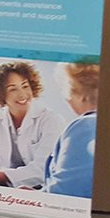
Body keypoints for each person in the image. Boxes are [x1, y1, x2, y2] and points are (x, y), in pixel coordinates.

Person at [0, 60, 67, 188]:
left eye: (25, 86)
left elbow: (43, 168)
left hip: (38, 185)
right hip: (1, 182)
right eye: (13, 89)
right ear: (0, 94)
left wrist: (2, 176)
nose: (22, 94)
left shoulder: (51, 120)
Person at [43, 63, 100, 197]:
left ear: (82, 96)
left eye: (64, 89)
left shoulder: (85, 125)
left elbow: (67, 191)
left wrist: (34, 198)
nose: (66, 99)